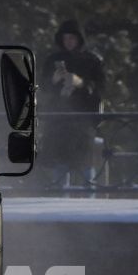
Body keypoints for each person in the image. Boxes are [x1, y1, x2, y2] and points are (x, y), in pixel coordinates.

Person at [41, 18, 105, 186]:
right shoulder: (52, 60)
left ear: (79, 39)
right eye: (65, 38)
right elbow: (43, 88)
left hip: (83, 119)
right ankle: (60, 199)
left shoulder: (92, 60)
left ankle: (89, 202)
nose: (68, 42)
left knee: (86, 165)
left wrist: (81, 83)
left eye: (72, 38)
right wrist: (54, 80)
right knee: (60, 165)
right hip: (59, 119)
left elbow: (100, 88)